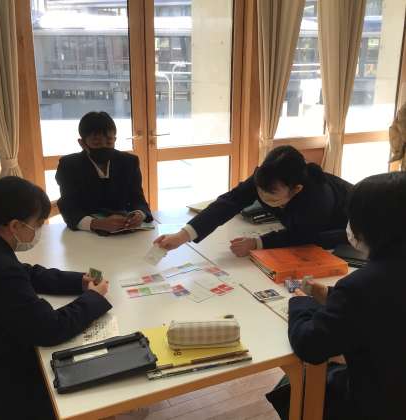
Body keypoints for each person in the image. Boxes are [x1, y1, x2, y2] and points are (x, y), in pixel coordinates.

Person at [268, 172, 406, 420]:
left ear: (370, 226)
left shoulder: (360, 285)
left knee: (297, 383)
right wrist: (331, 295)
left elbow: (311, 346)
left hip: (376, 402)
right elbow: (386, 304)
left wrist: (301, 301)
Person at [0, 176, 112, 420]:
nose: (39, 231)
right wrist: (94, 298)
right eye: (37, 223)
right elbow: (49, 329)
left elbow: (27, 272)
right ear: (15, 226)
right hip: (3, 381)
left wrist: (79, 280)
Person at [154, 145, 352, 255]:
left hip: (345, 229)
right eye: (260, 191)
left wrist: (258, 242)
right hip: (308, 230)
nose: (263, 196)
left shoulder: (318, 197)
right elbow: (228, 203)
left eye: (271, 194)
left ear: (296, 189)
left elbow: (301, 236)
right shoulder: (266, 178)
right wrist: (182, 236)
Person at [56, 111, 152, 234]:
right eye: (96, 143)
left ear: (115, 139)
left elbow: (138, 198)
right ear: (82, 143)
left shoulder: (129, 162)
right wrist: (95, 224)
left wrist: (139, 214)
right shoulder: (69, 165)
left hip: (125, 231)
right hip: (85, 235)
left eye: (109, 142)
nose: (104, 146)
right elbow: (68, 205)